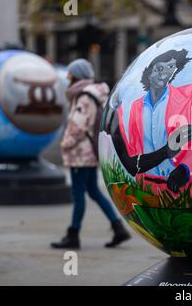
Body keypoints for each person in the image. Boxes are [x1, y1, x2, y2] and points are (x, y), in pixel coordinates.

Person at [51, 59, 131, 249]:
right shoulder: (97, 93)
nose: (68, 78)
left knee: (78, 194)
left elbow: (78, 126)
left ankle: (73, 234)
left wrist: (65, 144)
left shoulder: (84, 97)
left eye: (70, 74)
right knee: (93, 191)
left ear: (76, 75)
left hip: (80, 154)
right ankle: (118, 228)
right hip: (90, 152)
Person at [106, 49, 192, 195]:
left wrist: (185, 169)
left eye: (171, 68)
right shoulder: (135, 106)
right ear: (149, 73)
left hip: (177, 186)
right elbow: (133, 149)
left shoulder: (188, 96)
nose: (164, 73)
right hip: (146, 186)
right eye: (159, 68)